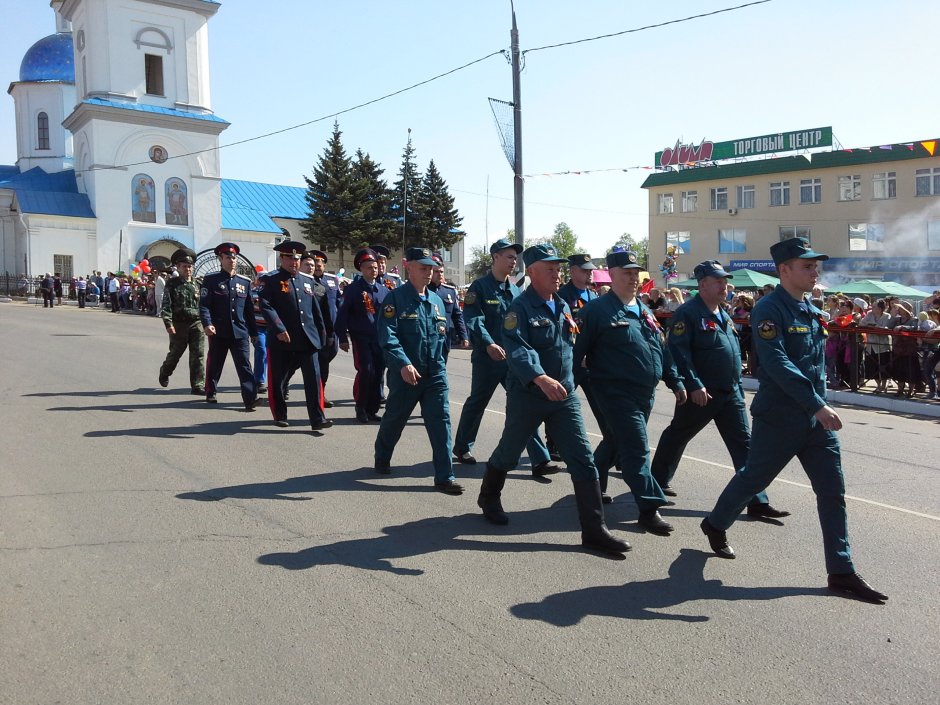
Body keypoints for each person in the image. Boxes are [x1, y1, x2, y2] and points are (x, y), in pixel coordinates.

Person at [700, 237, 887, 604]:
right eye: (806, 265)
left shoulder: (812, 309)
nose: (814, 270)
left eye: (815, 264)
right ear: (784, 270)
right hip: (781, 418)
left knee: (832, 493)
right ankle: (716, 523)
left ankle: (841, 571)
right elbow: (776, 363)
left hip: (815, 422)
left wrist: (819, 407)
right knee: (754, 477)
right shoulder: (769, 310)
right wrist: (817, 404)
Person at [477, 244, 630, 554]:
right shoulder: (518, 309)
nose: (556, 272)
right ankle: (489, 496)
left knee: (583, 460)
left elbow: (570, 347)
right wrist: (540, 377)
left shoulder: (561, 305)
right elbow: (518, 347)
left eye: (558, 267)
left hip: (564, 395)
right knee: (509, 452)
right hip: (529, 395)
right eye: (549, 268)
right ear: (531, 272)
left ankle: (594, 529)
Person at [650, 260, 789, 520]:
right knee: (678, 435)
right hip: (703, 392)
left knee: (745, 446)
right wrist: (693, 384)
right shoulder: (688, 313)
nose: (724, 285)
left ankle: (757, 501)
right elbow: (679, 351)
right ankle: (655, 486)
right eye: (718, 281)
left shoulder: (722, 312)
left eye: (725, 281)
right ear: (703, 285)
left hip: (730, 392)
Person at [572, 249, 687, 536]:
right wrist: (564, 388)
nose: (634, 278)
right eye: (627, 273)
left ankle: (591, 487)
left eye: (636, 273)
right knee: (636, 448)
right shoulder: (595, 312)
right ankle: (648, 509)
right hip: (614, 392)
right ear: (611, 275)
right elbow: (573, 354)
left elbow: (662, 350)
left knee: (614, 441)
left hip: (644, 393)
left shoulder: (644, 310)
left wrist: (676, 381)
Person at [452, 239, 556, 476]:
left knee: (524, 405)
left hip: (513, 360)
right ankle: (462, 447)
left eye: (515, 258)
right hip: (487, 359)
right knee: (478, 402)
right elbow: (474, 319)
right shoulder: (479, 287)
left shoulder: (516, 289)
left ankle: (540, 459)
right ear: (495, 257)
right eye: (508, 257)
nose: (513, 262)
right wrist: (488, 343)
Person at [373, 247, 463, 495]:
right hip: (406, 375)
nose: (428, 272)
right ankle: (382, 455)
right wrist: (402, 363)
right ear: (407, 266)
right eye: (423, 268)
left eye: (431, 268)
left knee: (441, 423)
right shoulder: (395, 299)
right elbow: (388, 336)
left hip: (434, 374)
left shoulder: (436, 301)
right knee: (395, 419)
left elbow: (442, 338)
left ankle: (445, 477)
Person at [259, 241, 332, 431]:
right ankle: (280, 414)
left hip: (307, 339)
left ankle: (318, 418)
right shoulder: (271, 280)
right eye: (290, 258)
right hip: (282, 339)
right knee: (278, 380)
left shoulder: (308, 281)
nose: (294, 261)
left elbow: (316, 312)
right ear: (282, 258)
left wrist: (322, 335)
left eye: (297, 258)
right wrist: (279, 328)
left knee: (314, 379)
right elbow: (266, 305)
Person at [199, 242, 259, 410]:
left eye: (234, 257)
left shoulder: (244, 282)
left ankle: (250, 398)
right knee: (215, 363)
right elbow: (204, 305)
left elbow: (249, 311)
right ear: (220, 259)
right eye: (228, 257)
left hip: (240, 332)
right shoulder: (211, 280)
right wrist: (207, 323)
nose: (232, 260)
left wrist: (253, 332)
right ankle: (210, 391)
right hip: (218, 330)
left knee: (244, 365)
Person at [335, 248, 384, 423]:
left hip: (380, 339)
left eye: (376, 266)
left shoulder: (383, 290)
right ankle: (361, 407)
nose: (374, 270)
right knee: (367, 371)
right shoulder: (353, 289)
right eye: (370, 267)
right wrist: (342, 337)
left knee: (378, 373)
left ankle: (373, 409)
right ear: (361, 269)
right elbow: (343, 314)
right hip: (361, 338)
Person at [158, 248, 206, 394]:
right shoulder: (172, 284)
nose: (188, 269)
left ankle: (198, 385)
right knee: (175, 354)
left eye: (190, 266)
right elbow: (166, 304)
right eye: (184, 266)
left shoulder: (198, 284)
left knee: (198, 355)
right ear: (178, 268)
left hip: (196, 323)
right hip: (179, 324)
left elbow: (205, 303)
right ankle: (165, 371)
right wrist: (168, 323)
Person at [311, 250, 341, 406]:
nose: (317, 266)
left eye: (320, 264)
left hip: (332, 329)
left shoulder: (332, 281)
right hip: (315, 330)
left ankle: (320, 392)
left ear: (324, 265)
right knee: (319, 363)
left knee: (330, 355)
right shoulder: (307, 281)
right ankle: (319, 394)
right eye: (314, 264)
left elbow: (338, 302)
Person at [428, 254, 469, 361]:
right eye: (436, 272)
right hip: (427, 338)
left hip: (444, 338)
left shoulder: (449, 291)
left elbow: (457, 315)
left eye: (441, 272)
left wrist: (463, 336)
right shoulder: (423, 290)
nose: (439, 274)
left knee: (441, 367)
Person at [249, 274, 269, 394]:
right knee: (261, 350)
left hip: (272, 328)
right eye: (260, 279)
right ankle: (259, 381)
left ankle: (275, 382)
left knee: (271, 355)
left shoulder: (273, 292)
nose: (263, 282)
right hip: (258, 328)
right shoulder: (252, 292)